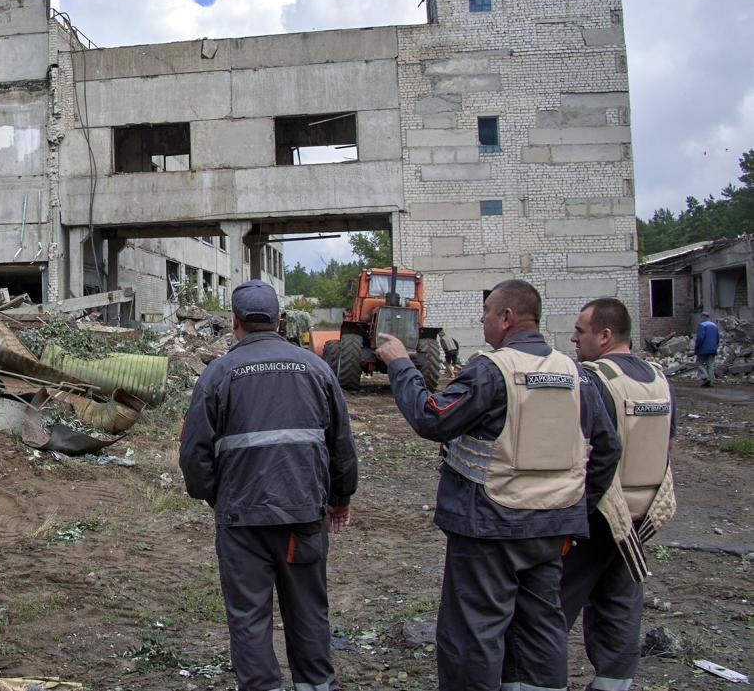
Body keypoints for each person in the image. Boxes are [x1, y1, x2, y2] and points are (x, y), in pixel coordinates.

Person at [373, 279, 621, 691]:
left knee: (473, 632)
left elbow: (433, 417)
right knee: (541, 627)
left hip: (489, 528)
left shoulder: (492, 370)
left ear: (506, 318)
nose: (482, 320)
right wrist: (574, 507)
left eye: (486, 313)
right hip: (551, 529)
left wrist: (401, 364)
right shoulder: (575, 374)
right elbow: (608, 450)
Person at [179, 279, 358, 691]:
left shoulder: (218, 374)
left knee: (249, 617)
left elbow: (194, 456)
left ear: (234, 322)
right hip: (302, 517)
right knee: (308, 611)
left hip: (243, 522)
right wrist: (339, 497)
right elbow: (341, 444)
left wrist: (216, 497)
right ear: (279, 320)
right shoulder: (316, 368)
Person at [564, 297, 677, 691]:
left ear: (605, 335)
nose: (573, 339)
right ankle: (614, 682)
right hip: (640, 518)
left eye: (580, 331)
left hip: (596, 514)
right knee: (620, 604)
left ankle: (530, 678)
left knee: (551, 604)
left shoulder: (593, 380)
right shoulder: (659, 379)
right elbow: (667, 447)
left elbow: (579, 450)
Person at [694, 312, 720, 386]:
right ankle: (711, 382)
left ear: (703, 317)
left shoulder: (702, 325)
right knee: (711, 365)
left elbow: (700, 338)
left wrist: (696, 348)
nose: (700, 319)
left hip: (703, 349)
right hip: (713, 348)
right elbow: (717, 338)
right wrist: (716, 346)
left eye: (701, 317)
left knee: (699, 363)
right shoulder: (714, 326)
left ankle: (705, 377)